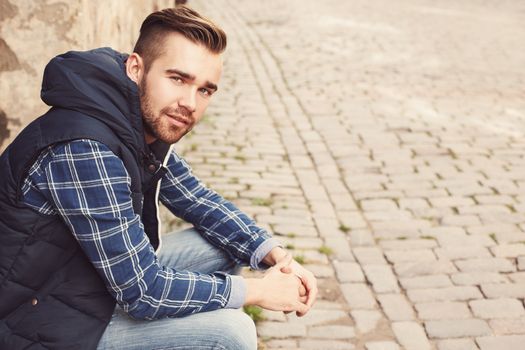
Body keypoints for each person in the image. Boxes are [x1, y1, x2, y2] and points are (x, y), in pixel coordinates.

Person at [0, 5, 317, 350]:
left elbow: (197, 199)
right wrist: (257, 291)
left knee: (223, 245)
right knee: (230, 331)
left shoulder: (135, 120)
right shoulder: (85, 149)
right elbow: (142, 291)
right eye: (178, 79)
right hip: (32, 319)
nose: (189, 103)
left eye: (205, 90)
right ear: (136, 68)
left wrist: (274, 254)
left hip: (83, 283)